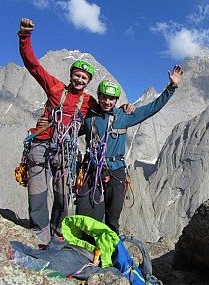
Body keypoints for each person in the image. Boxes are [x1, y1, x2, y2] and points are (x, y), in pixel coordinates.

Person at [75, 65, 184, 234]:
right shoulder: (89, 118)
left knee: (112, 218)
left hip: (116, 172)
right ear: (99, 97)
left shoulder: (123, 117)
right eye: (104, 98)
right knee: (85, 213)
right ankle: (85, 250)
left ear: (116, 100)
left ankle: (110, 254)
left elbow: (152, 108)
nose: (107, 102)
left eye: (111, 99)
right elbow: (71, 129)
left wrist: (171, 87)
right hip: (92, 171)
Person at [18, 18, 99, 243]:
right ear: (71, 75)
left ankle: (58, 233)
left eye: (84, 78)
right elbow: (33, 65)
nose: (79, 79)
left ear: (88, 81)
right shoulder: (55, 87)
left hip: (65, 151)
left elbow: (105, 109)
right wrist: (25, 37)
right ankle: (39, 235)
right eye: (77, 75)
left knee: (64, 196)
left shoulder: (88, 101)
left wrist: (125, 107)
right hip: (41, 145)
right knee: (37, 193)